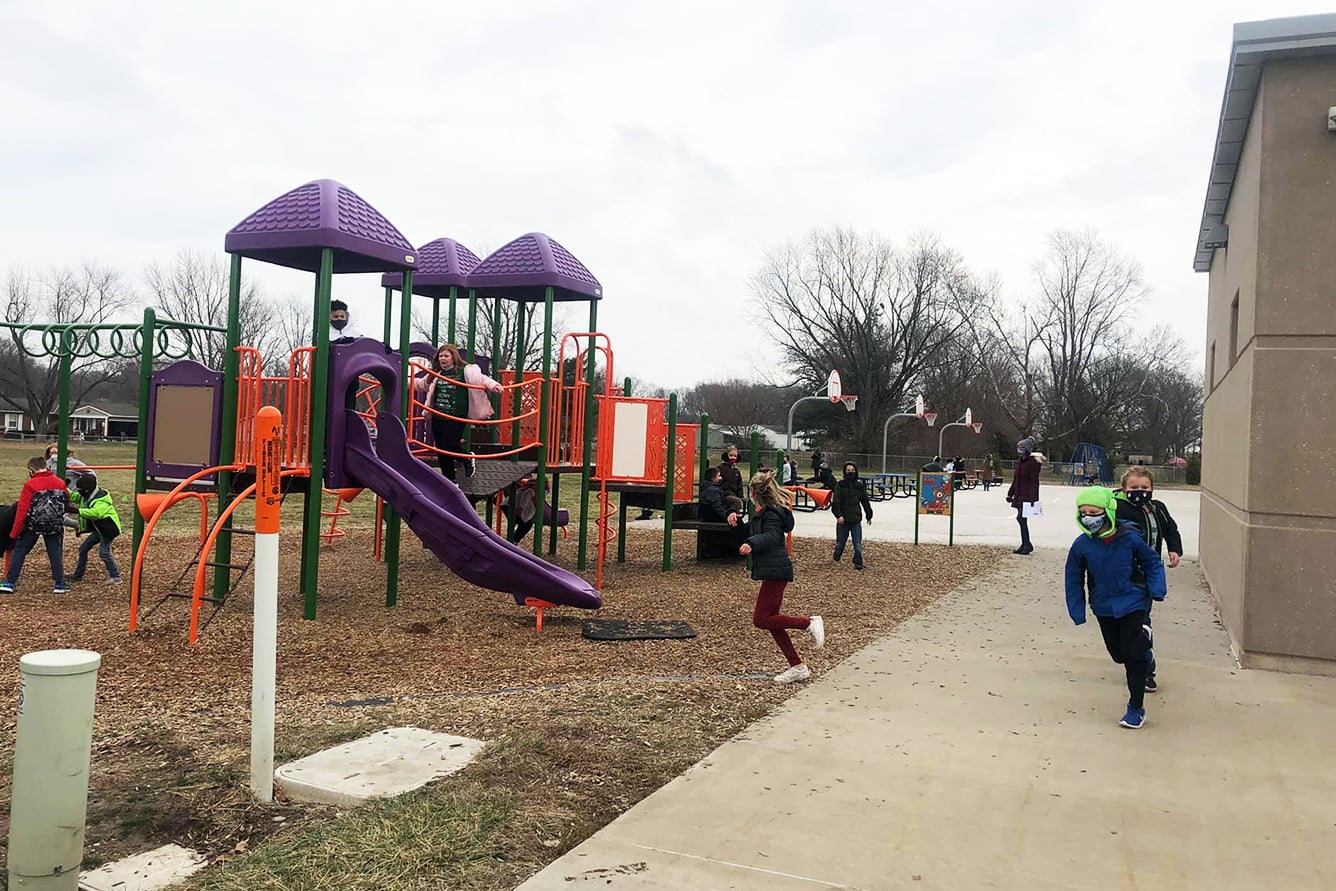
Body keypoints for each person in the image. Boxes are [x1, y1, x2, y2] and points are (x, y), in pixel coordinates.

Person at [1065, 486, 1166, 730]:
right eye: (1084, 512)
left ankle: (1135, 708)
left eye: (1095, 511)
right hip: (1103, 606)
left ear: (1107, 511)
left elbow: (1152, 561)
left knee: (1132, 656)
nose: (1089, 517)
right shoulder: (1081, 545)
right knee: (1117, 653)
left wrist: (1157, 588)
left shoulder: (1129, 538)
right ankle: (1144, 640)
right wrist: (1077, 610)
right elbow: (1073, 578)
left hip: (1132, 601)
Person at [733, 470, 823, 683]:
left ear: (754, 492)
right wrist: (734, 522)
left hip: (776, 571)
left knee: (761, 619)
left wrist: (751, 543)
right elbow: (750, 533)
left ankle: (809, 622)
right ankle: (797, 666)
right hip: (772, 570)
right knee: (773, 622)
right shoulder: (762, 513)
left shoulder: (771, 513)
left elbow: (772, 537)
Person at [1114, 467, 1184, 693]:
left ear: (1152, 489)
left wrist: (1174, 549)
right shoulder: (1116, 507)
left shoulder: (1158, 509)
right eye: (1134, 488)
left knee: (1140, 619)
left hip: (1147, 573)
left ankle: (1145, 668)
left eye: (1145, 488)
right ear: (1124, 489)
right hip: (1121, 572)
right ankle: (1133, 650)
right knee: (1120, 622)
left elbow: (1170, 529)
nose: (1140, 492)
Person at [423, 344, 503, 483]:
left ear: (453, 357)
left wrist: (494, 385)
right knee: (441, 449)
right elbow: (421, 384)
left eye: (446, 356)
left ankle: (467, 458)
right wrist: (402, 380)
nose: (443, 359)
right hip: (438, 416)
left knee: (449, 443)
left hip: (455, 415)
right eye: (440, 356)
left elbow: (483, 379)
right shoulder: (436, 374)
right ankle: (450, 480)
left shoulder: (465, 371)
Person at [1, 457, 70, 594]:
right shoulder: (60, 483)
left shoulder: (30, 484)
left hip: (33, 524)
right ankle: (59, 584)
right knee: (55, 553)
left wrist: (14, 532)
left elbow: (22, 509)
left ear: (31, 471)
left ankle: (9, 582)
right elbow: (66, 501)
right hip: (53, 524)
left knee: (19, 551)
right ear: (47, 467)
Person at [67, 471, 122, 585]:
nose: (79, 491)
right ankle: (78, 575)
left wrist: (77, 510)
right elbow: (74, 496)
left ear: (87, 490)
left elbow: (95, 513)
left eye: (81, 489)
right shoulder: (85, 496)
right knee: (83, 549)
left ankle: (116, 576)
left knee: (104, 552)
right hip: (99, 529)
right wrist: (62, 487)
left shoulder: (101, 500)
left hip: (108, 529)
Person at [830, 462, 873, 570]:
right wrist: (838, 515)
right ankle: (837, 553)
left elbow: (865, 501)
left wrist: (869, 515)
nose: (850, 472)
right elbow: (836, 502)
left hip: (855, 519)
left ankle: (858, 562)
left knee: (857, 543)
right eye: (848, 470)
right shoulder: (840, 485)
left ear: (856, 471)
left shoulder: (859, 486)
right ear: (845, 472)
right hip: (843, 520)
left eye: (852, 470)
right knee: (841, 543)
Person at [1006, 437, 1041, 555]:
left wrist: (1033, 498)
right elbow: (1016, 479)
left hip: (1027, 495)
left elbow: (1034, 482)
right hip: (1019, 494)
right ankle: (1025, 543)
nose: (1019, 450)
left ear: (1027, 449)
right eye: (1018, 447)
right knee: (1021, 519)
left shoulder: (1032, 463)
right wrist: (1010, 493)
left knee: (1020, 518)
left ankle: (1027, 544)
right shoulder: (1019, 461)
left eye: (1022, 447)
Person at [717, 446, 746, 511]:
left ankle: (733, 514)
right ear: (726, 456)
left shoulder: (736, 471)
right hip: (724, 494)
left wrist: (741, 496)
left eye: (735, 456)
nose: (733, 458)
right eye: (731, 455)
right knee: (737, 502)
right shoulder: (720, 468)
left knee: (739, 502)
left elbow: (739, 485)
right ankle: (730, 514)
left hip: (734, 494)